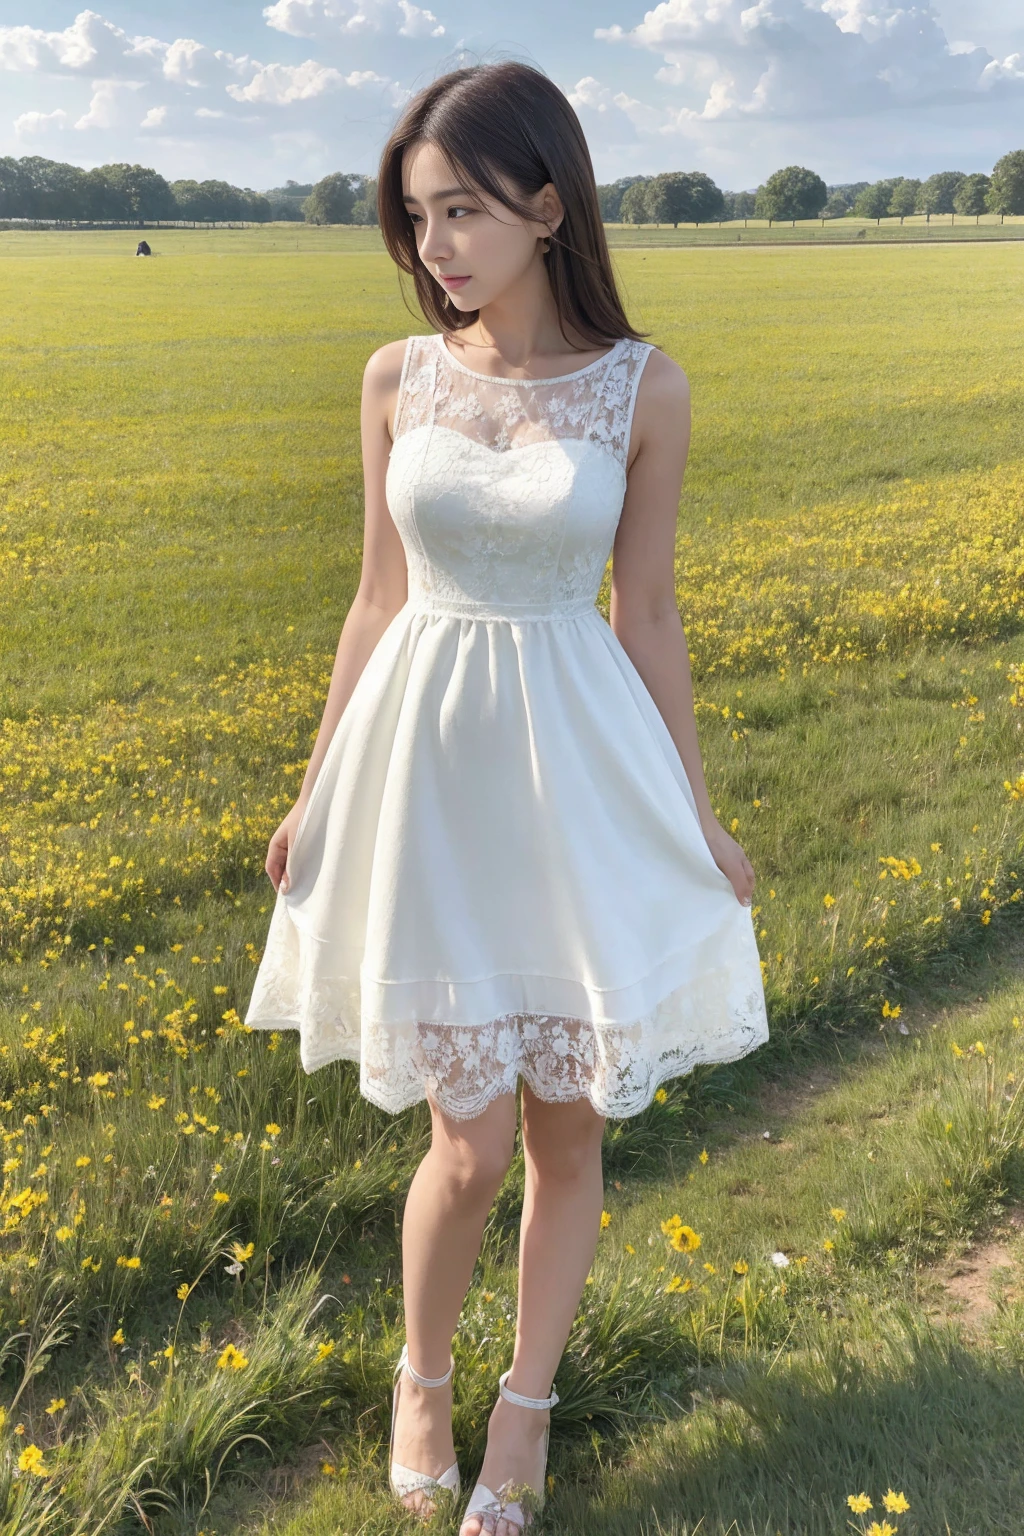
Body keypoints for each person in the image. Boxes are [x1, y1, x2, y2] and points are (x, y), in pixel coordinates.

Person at [243, 59, 769, 1535]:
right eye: (416, 219)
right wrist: (315, 790)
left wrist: (700, 814)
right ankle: (422, 1380)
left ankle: (522, 1414)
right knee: (463, 1141)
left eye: (463, 209)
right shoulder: (396, 377)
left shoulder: (643, 384)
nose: (437, 248)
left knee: (568, 1133)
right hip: (427, 766)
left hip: (576, 764)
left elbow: (648, 611)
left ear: (548, 205)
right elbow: (372, 596)